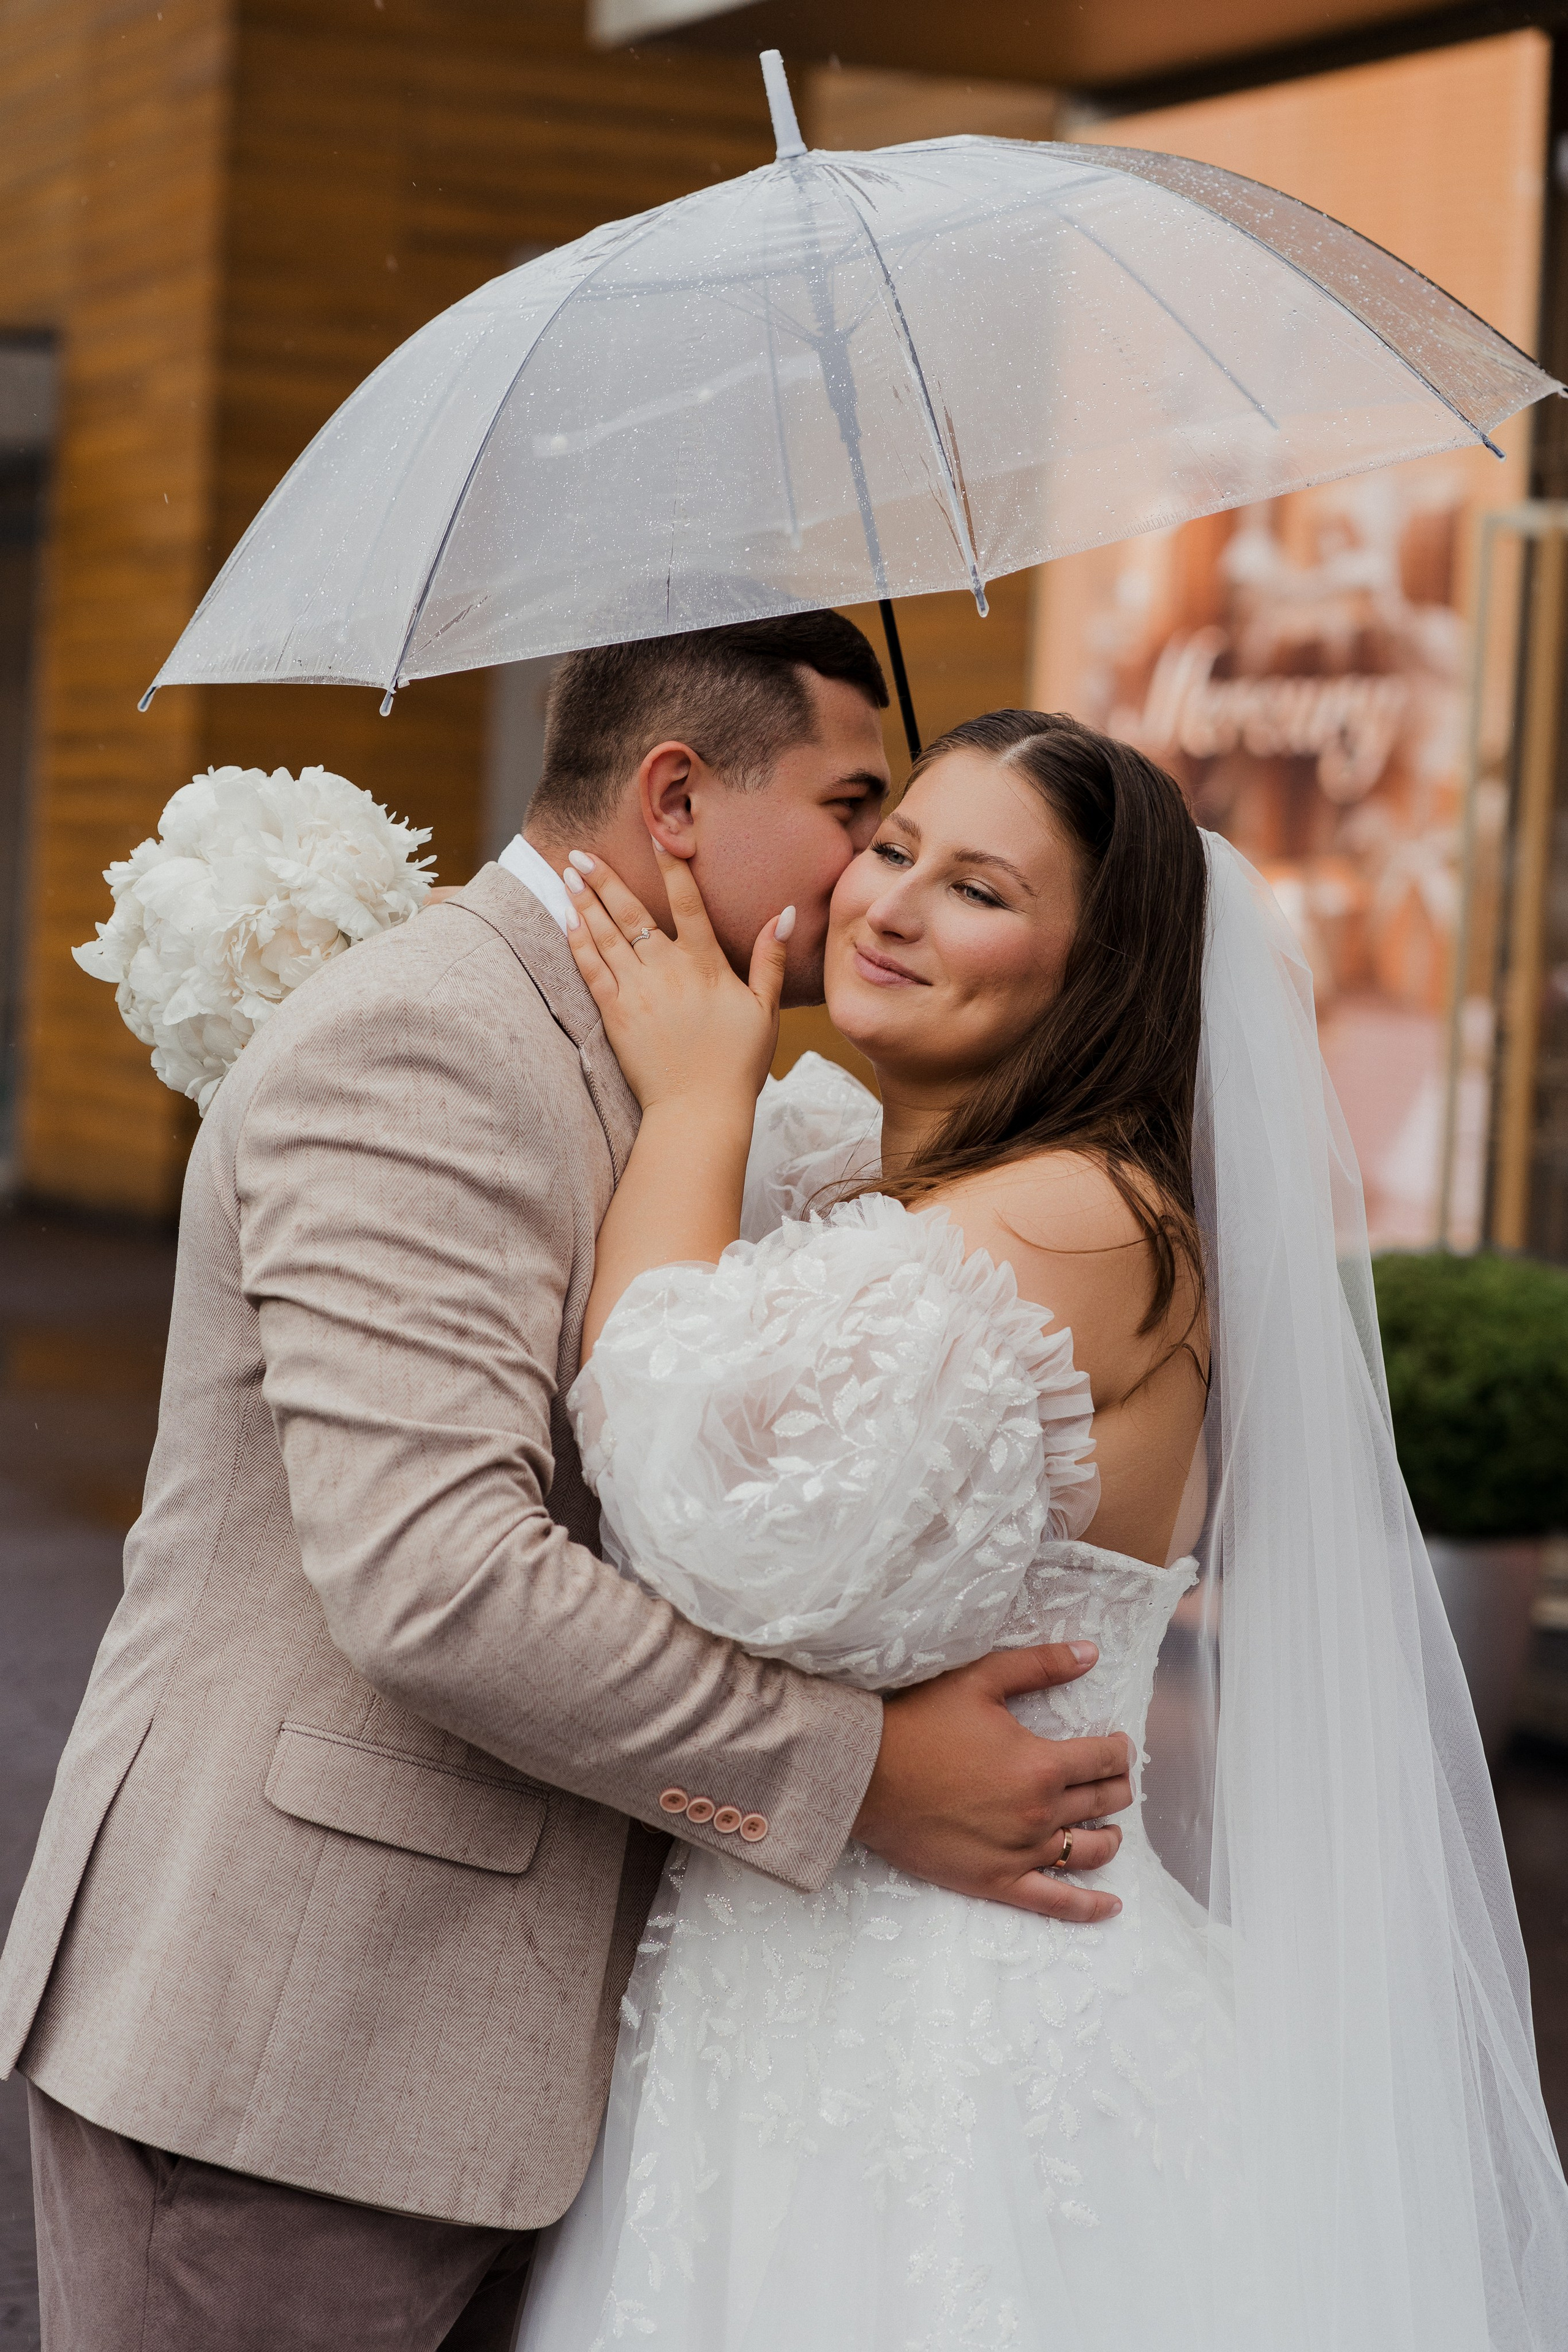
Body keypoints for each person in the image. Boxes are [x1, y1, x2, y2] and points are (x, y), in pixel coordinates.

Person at [0, 619, 1137, 2352]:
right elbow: (438, 1580)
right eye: (858, 811)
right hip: (292, 2060)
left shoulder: (720, 1077)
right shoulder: (425, 1040)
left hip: (550, 2070)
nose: (867, 875)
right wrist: (862, 1777)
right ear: (679, 799)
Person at [514, 710, 1568, 2351]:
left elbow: (695, 1495)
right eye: (896, 846)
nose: (894, 904)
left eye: (981, 888)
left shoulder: (1081, 1218)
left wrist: (693, 1109)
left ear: (1103, 971)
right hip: (788, 2014)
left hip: (958, 2035)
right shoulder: (929, 1194)